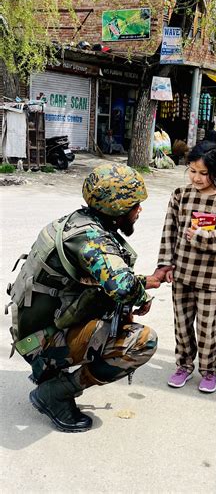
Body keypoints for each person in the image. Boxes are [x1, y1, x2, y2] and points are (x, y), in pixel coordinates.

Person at [6, 164, 170, 433]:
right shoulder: (92, 240)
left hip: (33, 330)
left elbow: (97, 280)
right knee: (142, 342)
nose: (139, 211)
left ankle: (50, 369)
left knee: (116, 309)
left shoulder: (78, 222)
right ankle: (56, 391)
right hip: (39, 341)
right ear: (117, 209)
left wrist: (144, 282)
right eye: (135, 205)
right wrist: (140, 295)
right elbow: (122, 286)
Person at [157, 141, 216, 393]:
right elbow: (169, 232)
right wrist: (165, 265)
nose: (197, 177)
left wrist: (203, 237)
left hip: (210, 279)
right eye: (193, 170)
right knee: (181, 325)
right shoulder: (180, 195)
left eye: (204, 173)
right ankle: (183, 365)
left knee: (206, 328)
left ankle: (208, 371)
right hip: (181, 274)